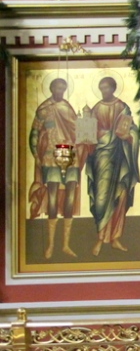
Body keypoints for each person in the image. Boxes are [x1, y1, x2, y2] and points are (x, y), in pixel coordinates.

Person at [82, 76, 140, 257]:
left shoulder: (123, 107)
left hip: (121, 158)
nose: (104, 91)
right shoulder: (96, 108)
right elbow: (87, 135)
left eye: (106, 88)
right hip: (101, 158)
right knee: (101, 198)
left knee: (120, 196)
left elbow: (132, 129)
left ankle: (115, 237)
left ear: (113, 88)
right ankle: (100, 238)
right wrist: (87, 129)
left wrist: (128, 136)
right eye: (101, 88)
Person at [28, 78, 81, 259]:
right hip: (51, 156)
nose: (60, 92)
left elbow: (79, 131)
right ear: (51, 89)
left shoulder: (68, 108)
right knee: (52, 199)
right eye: (57, 88)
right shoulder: (43, 109)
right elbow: (34, 133)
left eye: (63, 89)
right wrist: (36, 154)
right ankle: (50, 245)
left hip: (70, 156)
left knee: (70, 199)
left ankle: (65, 245)